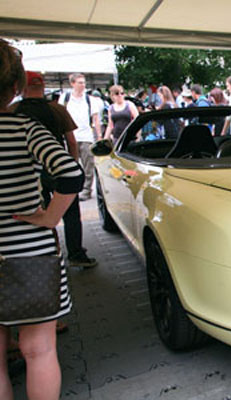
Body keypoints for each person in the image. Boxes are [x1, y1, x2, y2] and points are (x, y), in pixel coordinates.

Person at [0, 39, 84, 400]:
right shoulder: (23, 129)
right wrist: (50, 217)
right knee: (39, 351)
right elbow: (70, 172)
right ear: (16, 87)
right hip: (28, 251)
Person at [12, 71, 97, 269]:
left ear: (22, 88)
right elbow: (71, 142)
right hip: (58, 168)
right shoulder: (58, 109)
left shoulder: (13, 110)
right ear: (42, 88)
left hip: (28, 175)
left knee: (36, 214)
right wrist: (73, 164)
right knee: (71, 214)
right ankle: (76, 253)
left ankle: (49, 254)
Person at [58, 73, 102, 202]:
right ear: (72, 84)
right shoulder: (65, 98)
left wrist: (98, 136)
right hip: (70, 136)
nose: (83, 85)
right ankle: (74, 189)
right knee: (72, 165)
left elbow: (95, 119)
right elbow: (61, 116)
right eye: (80, 82)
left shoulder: (90, 100)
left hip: (86, 136)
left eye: (84, 83)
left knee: (88, 165)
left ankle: (86, 190)